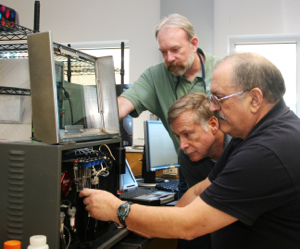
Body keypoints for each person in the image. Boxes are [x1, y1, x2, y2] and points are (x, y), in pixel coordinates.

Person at [79, 52, 300, 249]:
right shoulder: (250, 136)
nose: (212, 107)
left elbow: (190, 225)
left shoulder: (266, 151)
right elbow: (198, 191)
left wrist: (119, 210)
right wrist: (152, 222)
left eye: (218, 98)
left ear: (254, 99)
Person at [118, 13, 221, 229]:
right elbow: (123, 105)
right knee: (187, 232)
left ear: (193, 44)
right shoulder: (155, 77)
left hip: (228, 163)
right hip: (190, 166)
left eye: (175, 50)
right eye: (163, 52)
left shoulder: (223, 71)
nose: (169, 59)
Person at [168, 92, 231, 249]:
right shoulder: (186, 156)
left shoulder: (241, 148)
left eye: (187, 134)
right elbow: (199, 201)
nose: (182, 145)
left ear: (213, 125)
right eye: (178, 137)